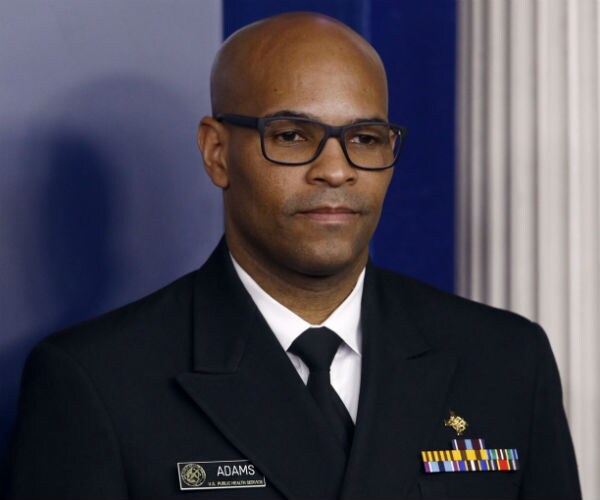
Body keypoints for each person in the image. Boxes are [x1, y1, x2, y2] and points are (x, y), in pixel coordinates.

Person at [5, 12, 580, 499]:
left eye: (365, 138)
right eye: (291, 135)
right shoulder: (98, 382)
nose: (336, 168)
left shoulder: (506, 361)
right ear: (216, 153)